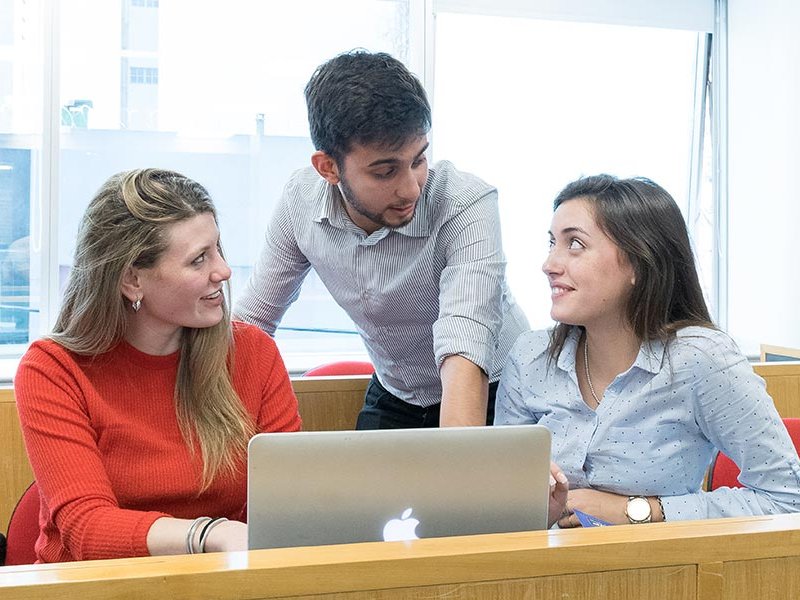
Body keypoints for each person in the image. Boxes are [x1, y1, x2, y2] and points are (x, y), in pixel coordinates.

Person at [14, 169, 302, 562]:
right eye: (199, 259)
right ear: (132, 280)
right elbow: (88, 528)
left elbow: (284, 507)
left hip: (218, 583)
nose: (224, 270)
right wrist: (211, 533)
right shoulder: (53, 369)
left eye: (218, 249)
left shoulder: (253, 352)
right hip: (91, 587)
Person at [236, 50, 529, 429]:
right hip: (398, 390)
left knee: (467, 486)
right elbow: (253, 323)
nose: (411, 189)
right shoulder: (300, 202)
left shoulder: (465, 203)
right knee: (364, 488)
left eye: (418, 160)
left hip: (491, 386)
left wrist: (460, 474)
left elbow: (464, 346)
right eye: (385, 170)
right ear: (328, 168)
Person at [495, 174, 800, 526]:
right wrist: (532, 509)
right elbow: (505, 504)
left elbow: (787, 495)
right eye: (552, 243)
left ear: (639, 263)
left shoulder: (700, 359)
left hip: (662, 574)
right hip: (537, 573)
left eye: (575, 244)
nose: (549, 264)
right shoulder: (530, 356)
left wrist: (638, 510)